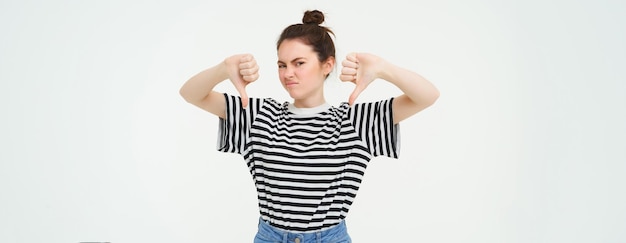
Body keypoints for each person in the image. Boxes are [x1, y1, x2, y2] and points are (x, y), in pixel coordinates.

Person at [179, 9, 439, 243]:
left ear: (327, 65)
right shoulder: (258, 115)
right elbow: (191, 94)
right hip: (270, 237)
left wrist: (383, 69)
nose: (287, 73)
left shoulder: (355, 121)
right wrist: (223, 69)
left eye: (299, 63)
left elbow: (427, 96)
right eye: (282, 65)